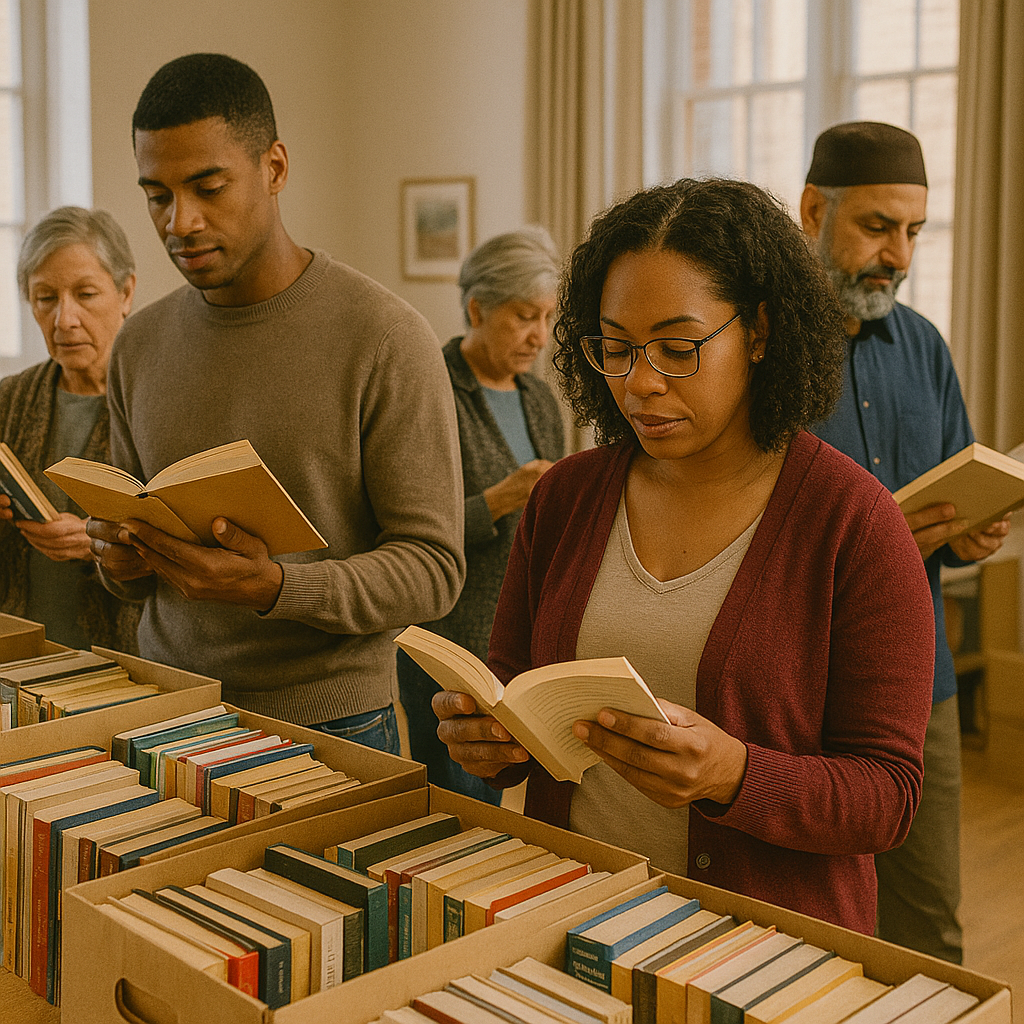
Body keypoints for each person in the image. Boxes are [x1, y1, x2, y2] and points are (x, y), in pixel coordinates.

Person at [432, 177, 937, 934]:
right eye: (617, 347)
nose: (640, 382)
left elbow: (888, 797)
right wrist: (488, 738)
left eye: (677, 347)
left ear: (760, 331)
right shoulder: (565, 498)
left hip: (759, 949)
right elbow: (512, 691)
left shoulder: (852, 524)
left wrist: (736, 773)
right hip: (571, 922)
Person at [87, 53, 465, 752]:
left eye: (208, 187)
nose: (181, 222)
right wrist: (121, 559)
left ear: (276, 168)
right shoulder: (138, 344)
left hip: (333, 723)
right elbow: (136, 588)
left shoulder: (383, 337)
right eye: (157, 195)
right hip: (167, 712)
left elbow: (432, 571)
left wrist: (274, 587)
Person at [801, 121, 1008, 963]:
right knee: (804, 933)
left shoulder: (924, 344)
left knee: (929, 929)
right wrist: (878, 530)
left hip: (922, 687)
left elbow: (949, 502)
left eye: (914, 231)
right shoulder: (757, 347)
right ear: (814, 209)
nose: (900, 254)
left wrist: (972, 532)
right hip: (798, 693)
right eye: (878, 227)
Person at [397, 227, 565, 803]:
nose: (539, 336)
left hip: (522, 633)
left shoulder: (538, 398)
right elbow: (408, 528)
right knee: (458, 799)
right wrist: (504, 497)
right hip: (450, 636)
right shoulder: (430, 387)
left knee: (520, 788)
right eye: (524, 316)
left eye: (547, 317)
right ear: (477, 308)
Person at [0, 207, 140, 651]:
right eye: (45, 298)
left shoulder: (155, 401)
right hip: (20, 656)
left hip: (129, 659)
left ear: (126, 292)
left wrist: (96, 541)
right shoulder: (8, 400)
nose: (64, 320)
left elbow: (193, 541)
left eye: (85, 294)